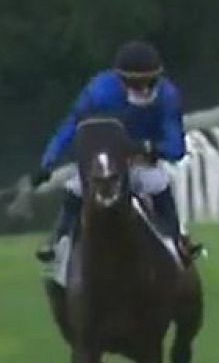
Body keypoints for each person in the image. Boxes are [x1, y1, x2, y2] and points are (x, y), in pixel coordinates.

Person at [33, 40, 201, 263]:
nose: (144, 89)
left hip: (140, 162)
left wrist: (151, 148)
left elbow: (176, 145)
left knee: (158, 182)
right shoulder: (99, 93)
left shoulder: (168, 96)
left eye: (150, 82)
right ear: (120, 79)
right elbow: (71, 127)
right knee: (75, 188)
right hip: (102, 161)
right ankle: (58, 241)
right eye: (135, 83)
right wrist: (48, 163)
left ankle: (177, 241)